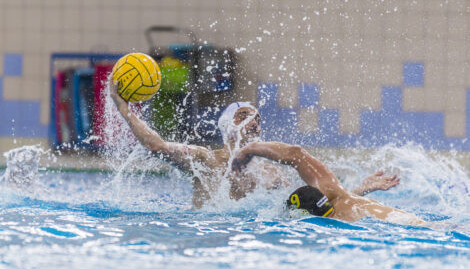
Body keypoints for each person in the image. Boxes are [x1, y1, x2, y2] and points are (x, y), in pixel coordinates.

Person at [109, 83, 399, 208]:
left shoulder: (271, 176)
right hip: (204, 235)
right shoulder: (204, 160)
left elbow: (318, 202)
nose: (254, 122)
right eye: (243, 116)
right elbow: (156, 145)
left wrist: (361, 189)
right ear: (227, 126)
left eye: (257, 117)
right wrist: (124, 110)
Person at [232, 141, 424, 225]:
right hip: (408, 220)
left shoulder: (336, 221)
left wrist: (247, 148)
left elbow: (295, 153)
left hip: (404, 226)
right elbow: (295, 154)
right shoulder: (335, 194)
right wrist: (251, 149)